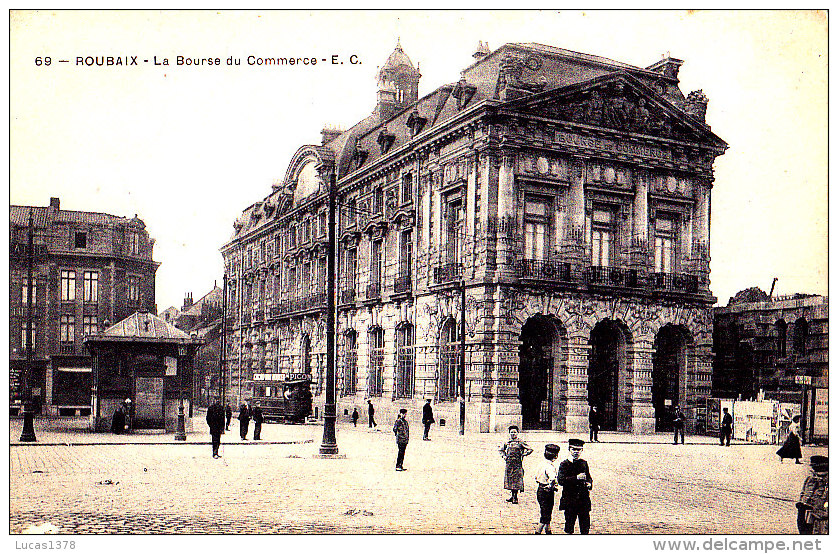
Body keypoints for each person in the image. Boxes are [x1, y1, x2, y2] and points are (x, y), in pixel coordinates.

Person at [558, 438, 593, 534]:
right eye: (574, 449)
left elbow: (589, 477)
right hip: (570, 499)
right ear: (569, 450)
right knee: (569, 524)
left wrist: (589, 484)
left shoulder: (584, 463)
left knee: (585, 525)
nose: (576, 452)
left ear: (582, 450)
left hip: (583, 499)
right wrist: (576, 478)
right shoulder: (564, 464)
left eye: (578, 450)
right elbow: (561, 480)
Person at [499, 425, 534, 504]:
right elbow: (501, 450)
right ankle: (512, 496)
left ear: (518, 433)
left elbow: (530, 449)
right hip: (509, 463)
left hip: (517, 463)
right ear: (509, 433)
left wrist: (524, 454)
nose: (513, 434)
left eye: (514, 432)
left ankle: (515, 497)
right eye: (511, 432)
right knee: (510, 479)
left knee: (517, 479)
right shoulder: (507, 442)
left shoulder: (520, 442)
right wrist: (504, 456)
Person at [796, 455, 828, 534]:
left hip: (821, 520)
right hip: (805, 517)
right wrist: (801, 505)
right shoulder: (809, 479)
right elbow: (803, 493)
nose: (817, 475)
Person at [534, 443, 561, 534]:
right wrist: (551, 485)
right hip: (547, 491)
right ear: (556, 456)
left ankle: (548, 530)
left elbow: (536, 477)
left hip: (540, 489)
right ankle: (538, 531)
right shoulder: (550, 467)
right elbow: (552, 479)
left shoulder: (541, 464)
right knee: (546, 513)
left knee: (545, 510)